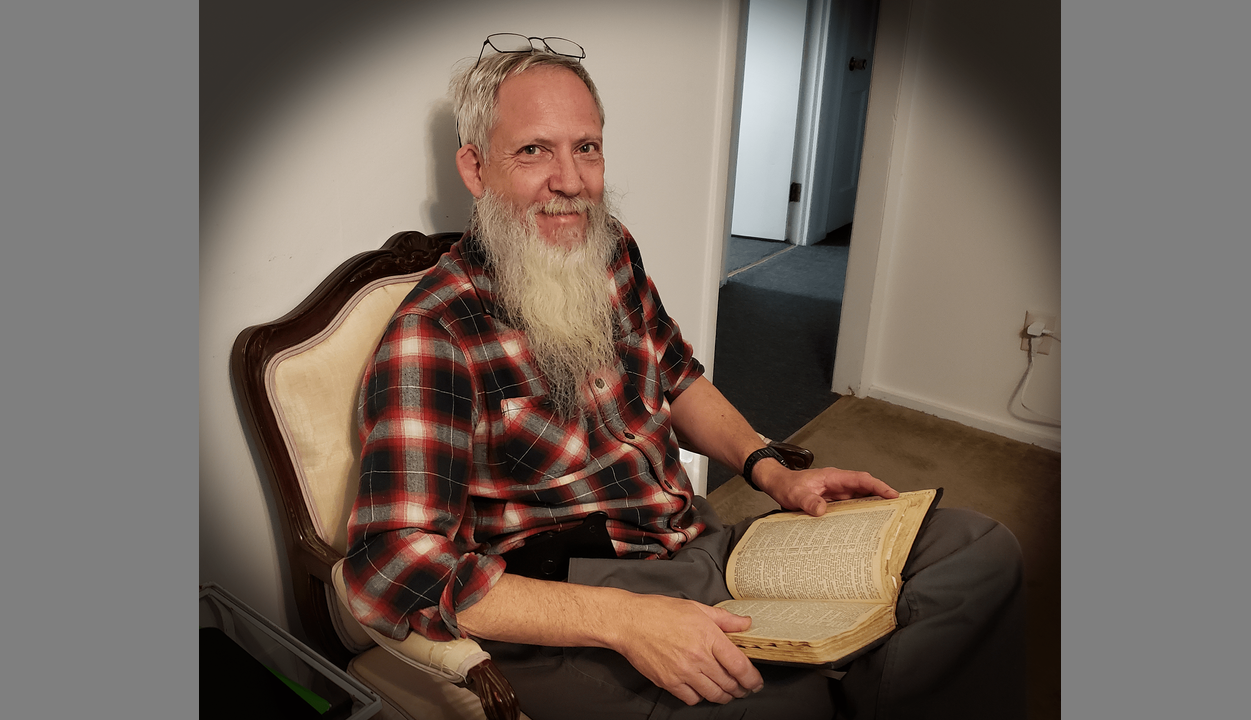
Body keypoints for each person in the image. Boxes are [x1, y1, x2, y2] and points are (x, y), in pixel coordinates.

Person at [344, 38, 1026, 719]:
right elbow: (390, 566)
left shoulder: (607, 248)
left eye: (587, 148)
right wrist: (624, 620)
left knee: (977, 551)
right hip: (574, 604)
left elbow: (679, 377)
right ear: (475, 167)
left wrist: (769, 469)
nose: (571, 181)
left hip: (696, 541)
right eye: (534, 151)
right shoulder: (435, 332)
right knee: (787, 703)